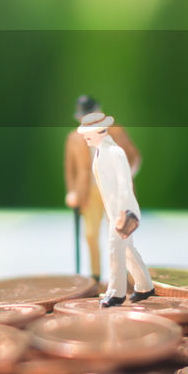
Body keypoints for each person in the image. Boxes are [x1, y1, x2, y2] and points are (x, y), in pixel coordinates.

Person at [77, 110, 154, 307]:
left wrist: (122, 212)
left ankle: (116, 293)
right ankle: (145, 286)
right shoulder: (100, 153)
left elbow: (124, 184)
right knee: (127, 251)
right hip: (114, 212)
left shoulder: (115, 153)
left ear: (100, 131)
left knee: (115, 249)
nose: (85, 137)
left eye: (88, 133)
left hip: (123, 211)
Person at [64, 94, 141, 282]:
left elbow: (134, 157)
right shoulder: (74, 138)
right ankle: (95, 277)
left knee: (119, 234)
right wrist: (72, 192)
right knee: (90, 234)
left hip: (113, 191)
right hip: (89, 192)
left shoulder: (115, 132)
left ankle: (125, 276)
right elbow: (70, 170)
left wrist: (124, 178)